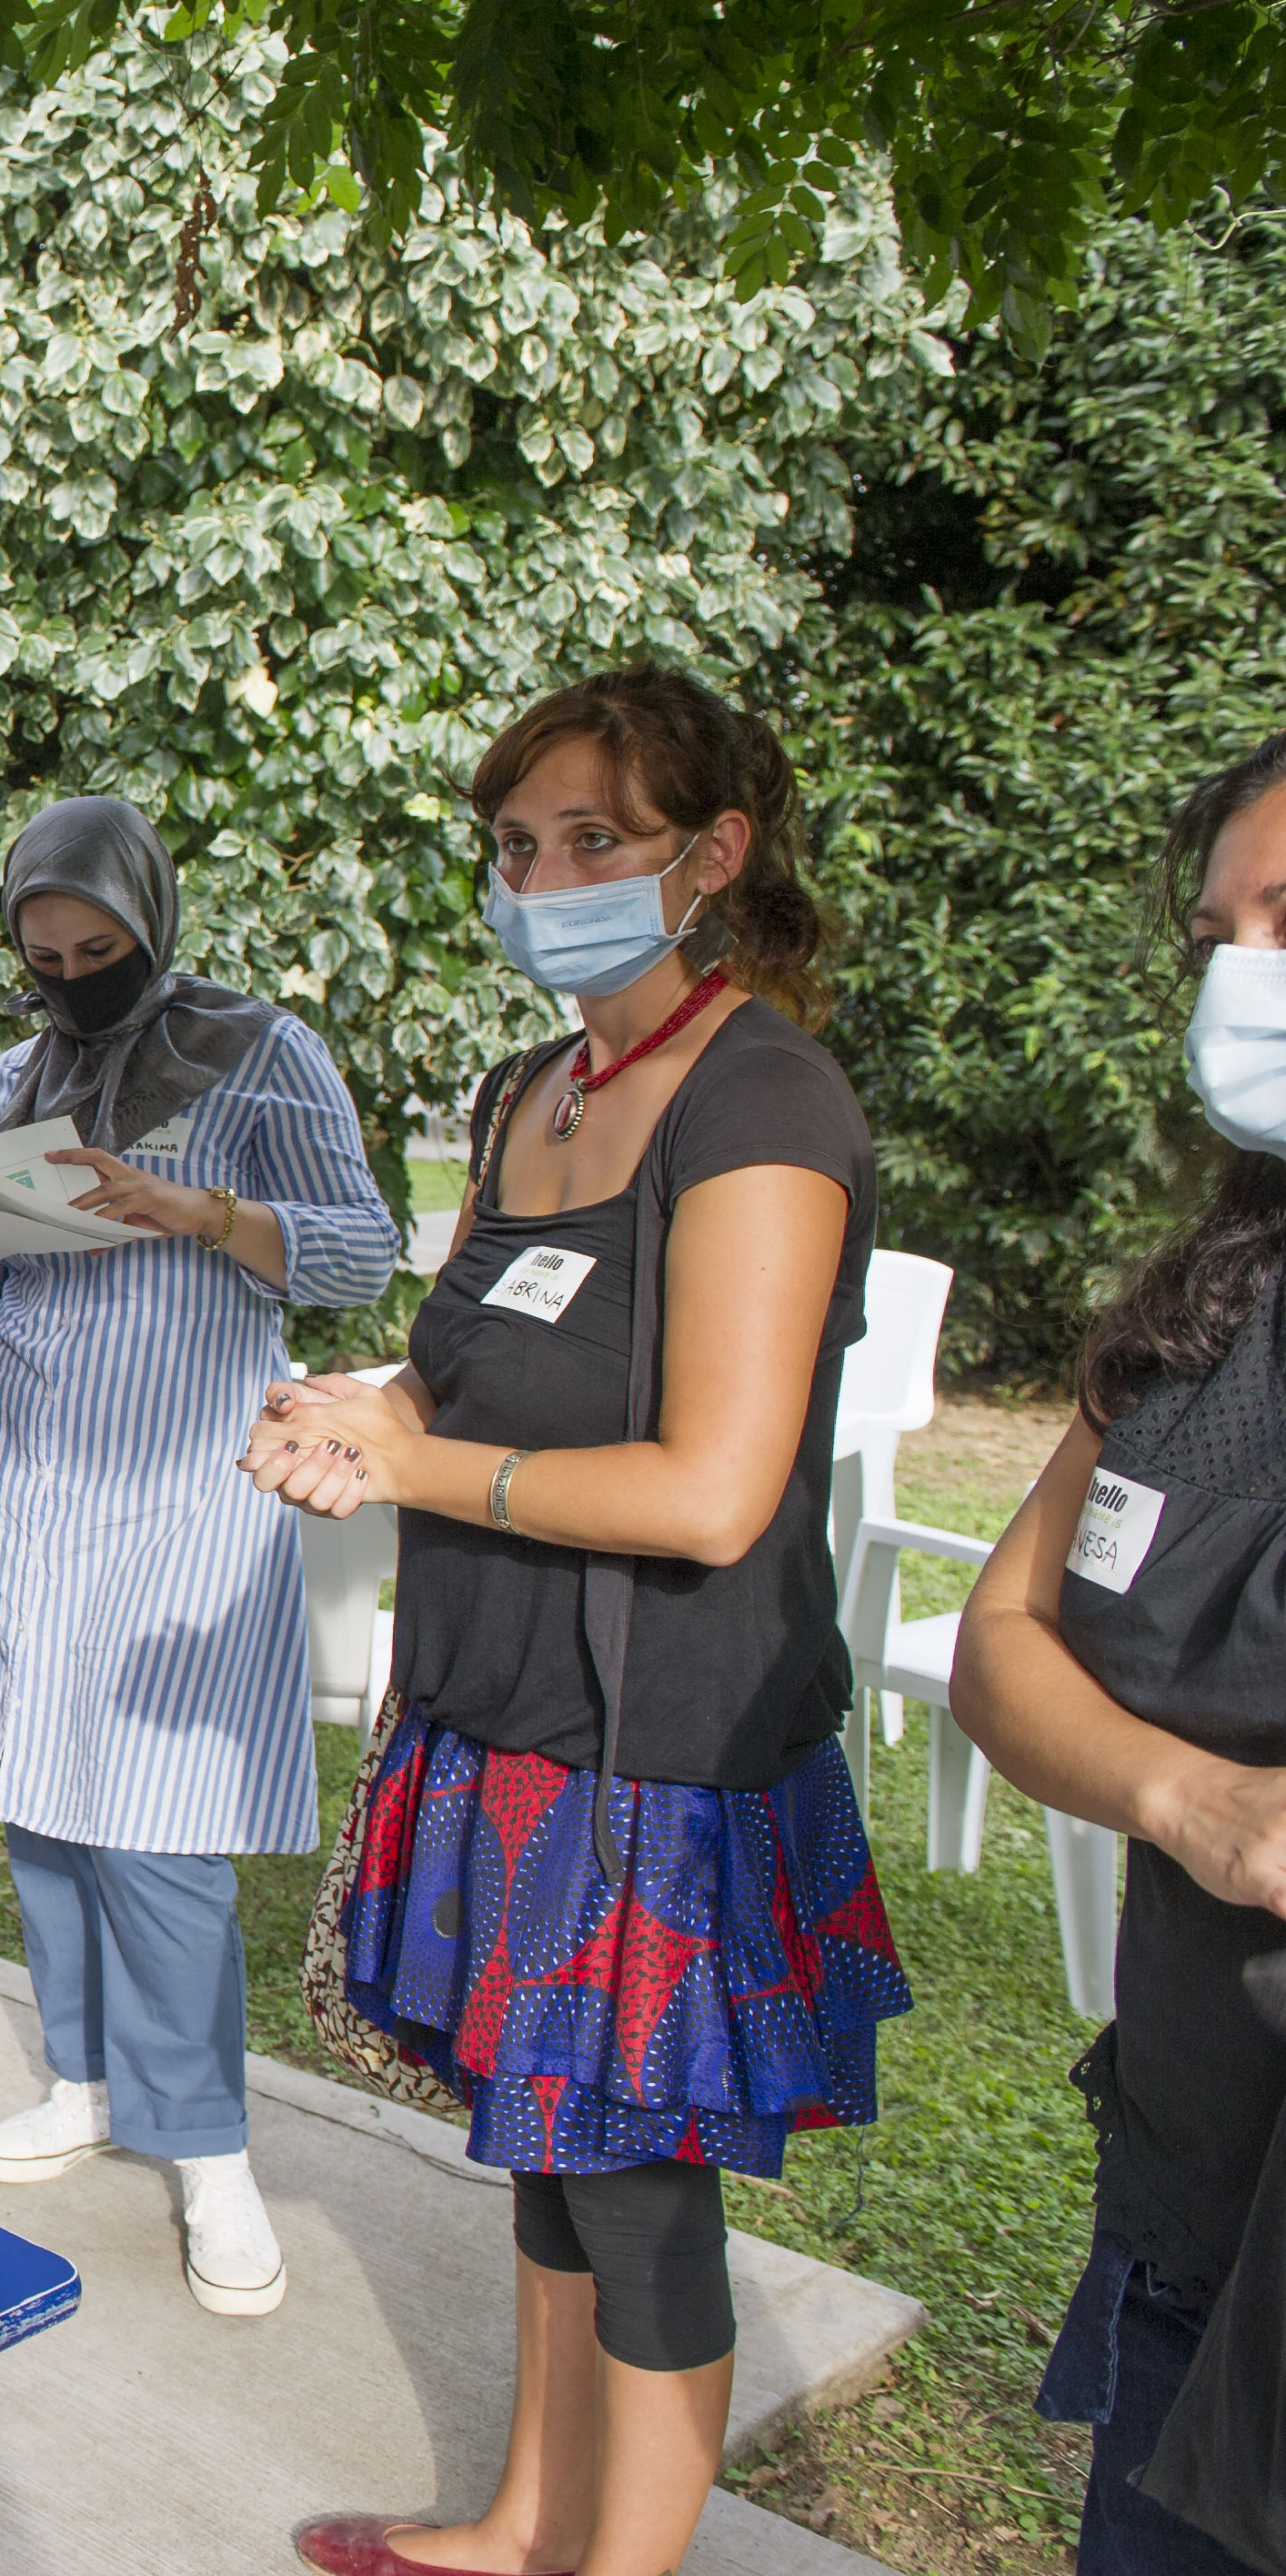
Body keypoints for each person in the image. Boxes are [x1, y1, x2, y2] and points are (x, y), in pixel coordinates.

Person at [250, 669, 909, 2576]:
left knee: (637, 2197)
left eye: (593, 841)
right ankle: (525, 2523)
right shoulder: (530, 1088)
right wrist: (356, 1418)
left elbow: (710, 1486)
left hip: (663, 1758)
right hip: (502, 1709)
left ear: (713, 858)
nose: (544, 880)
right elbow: (468, 1381)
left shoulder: (763, 1098)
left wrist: (412, 1471)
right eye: (517, 846)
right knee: (543, 2150)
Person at [0, 795, 397, 2318]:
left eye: (97, 950)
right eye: (44, 956)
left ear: (150, 927)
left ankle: (208, 2145)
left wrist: (200, 1208)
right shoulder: (9, 1081)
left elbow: (367, 1245)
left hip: (180, 1480)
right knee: (37, 1789)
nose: (71, 976)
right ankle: (87, 2075)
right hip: (19, 1471)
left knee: (158, 1823)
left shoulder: (258, 1053)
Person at [953, 733, 1286, 2576]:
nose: (1243, 975)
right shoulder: (1199, 1316)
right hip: (1183, 2207)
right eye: (1220, 932)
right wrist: (1184, 1794)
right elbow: (1005, 1642)